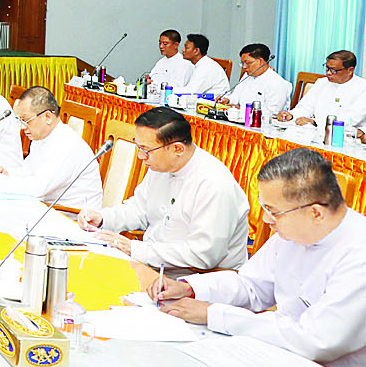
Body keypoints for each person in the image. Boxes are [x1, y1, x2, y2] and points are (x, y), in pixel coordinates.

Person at [152, 148, 366, 367]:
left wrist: (215, 315)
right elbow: (251, 285)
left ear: (316, 213)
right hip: (285, 358)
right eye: (265, 208)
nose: (265, 219)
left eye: (274, 212)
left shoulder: (358, 253)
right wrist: (191, 288)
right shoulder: (295, 232)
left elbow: (315, 341)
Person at [78, 106, 248, 275]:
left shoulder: (215, 184)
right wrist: (102, 218)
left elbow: (203, 254)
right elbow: (138, 209)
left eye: (146, 150)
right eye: (139, 147)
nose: (140, 156)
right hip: (153, 266)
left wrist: (134, 249)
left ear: (178, 149)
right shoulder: (162, 166)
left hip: (196, 280)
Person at [0, 87, 103, 210]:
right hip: (45, 207)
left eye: (26, 120)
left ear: (47, 117)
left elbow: (38, 188)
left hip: (71, 218)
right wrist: (6, 173)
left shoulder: (67, 144)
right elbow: (28, 171)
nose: (22, 127)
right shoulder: (41, 137)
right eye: (20, 120)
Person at [277, 50, 366, 128]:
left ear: (350, 70)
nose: (328, 73)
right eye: (327, 68)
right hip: (313, 132)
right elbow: (305, 107)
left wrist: (315, 122)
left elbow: (350, 120)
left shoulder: (362, 88)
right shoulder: (321, 83)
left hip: (346, 136)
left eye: (333, 70)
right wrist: (291, 115)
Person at [218, 43, 292, 115]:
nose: (244, 67)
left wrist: (242, 111)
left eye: (247, 63)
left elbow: (272, 113)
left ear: (260, 61)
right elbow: (236, 96)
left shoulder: (278, 83)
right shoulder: (247, 76)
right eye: (243, 63)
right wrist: (227, 100)